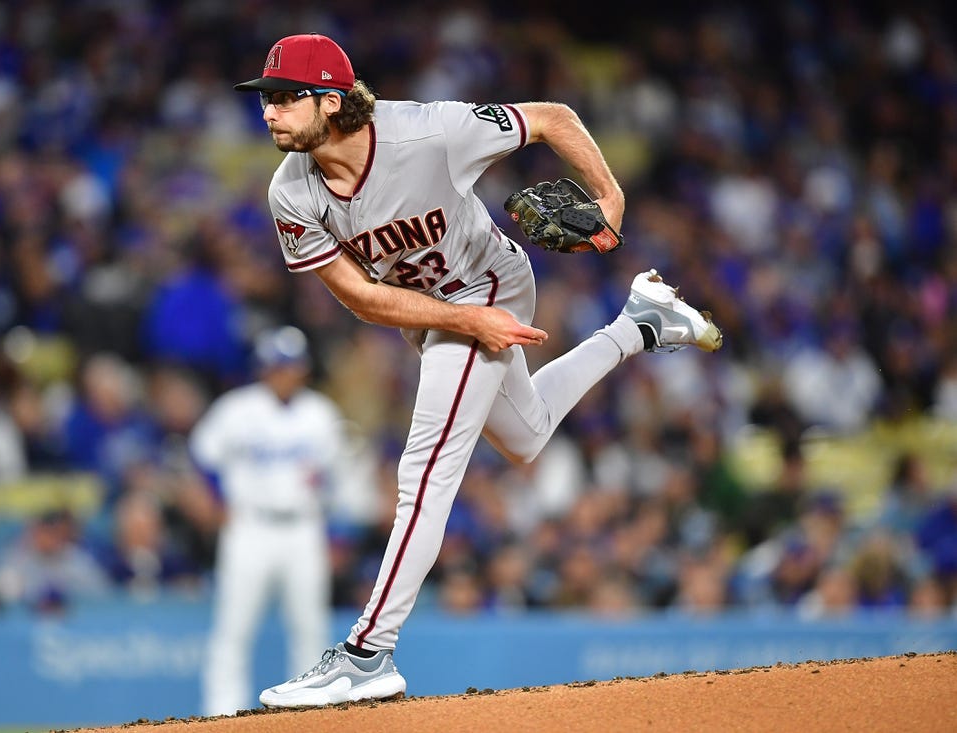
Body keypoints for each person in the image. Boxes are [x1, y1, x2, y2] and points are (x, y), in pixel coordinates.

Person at [233, 33, 722, 708]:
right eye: (268, 99)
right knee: (526, 435)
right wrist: (464, 324)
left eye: (285, 98)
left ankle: (368, 652)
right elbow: (361, 297)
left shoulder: (429, 133)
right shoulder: (291, 192)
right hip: (440, 314)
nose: (270, 113)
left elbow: (552, 116)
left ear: (331, 100)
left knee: (425, 466)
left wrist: (608, 199)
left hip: (488, 283)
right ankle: (641, 324)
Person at [190, 325, 348, 716]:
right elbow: (202, 455)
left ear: (304, 370)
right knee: (234, 628)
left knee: (310, 629)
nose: (285, 374)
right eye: (278, 366)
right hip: (250, 527)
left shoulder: (321, 413)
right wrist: (214, 499)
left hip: (303, 527)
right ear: (263, 368)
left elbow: (335, 477)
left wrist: (334, 529)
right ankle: (219, 717)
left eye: (292, 366)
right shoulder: (236, 408)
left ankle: (307, 717)